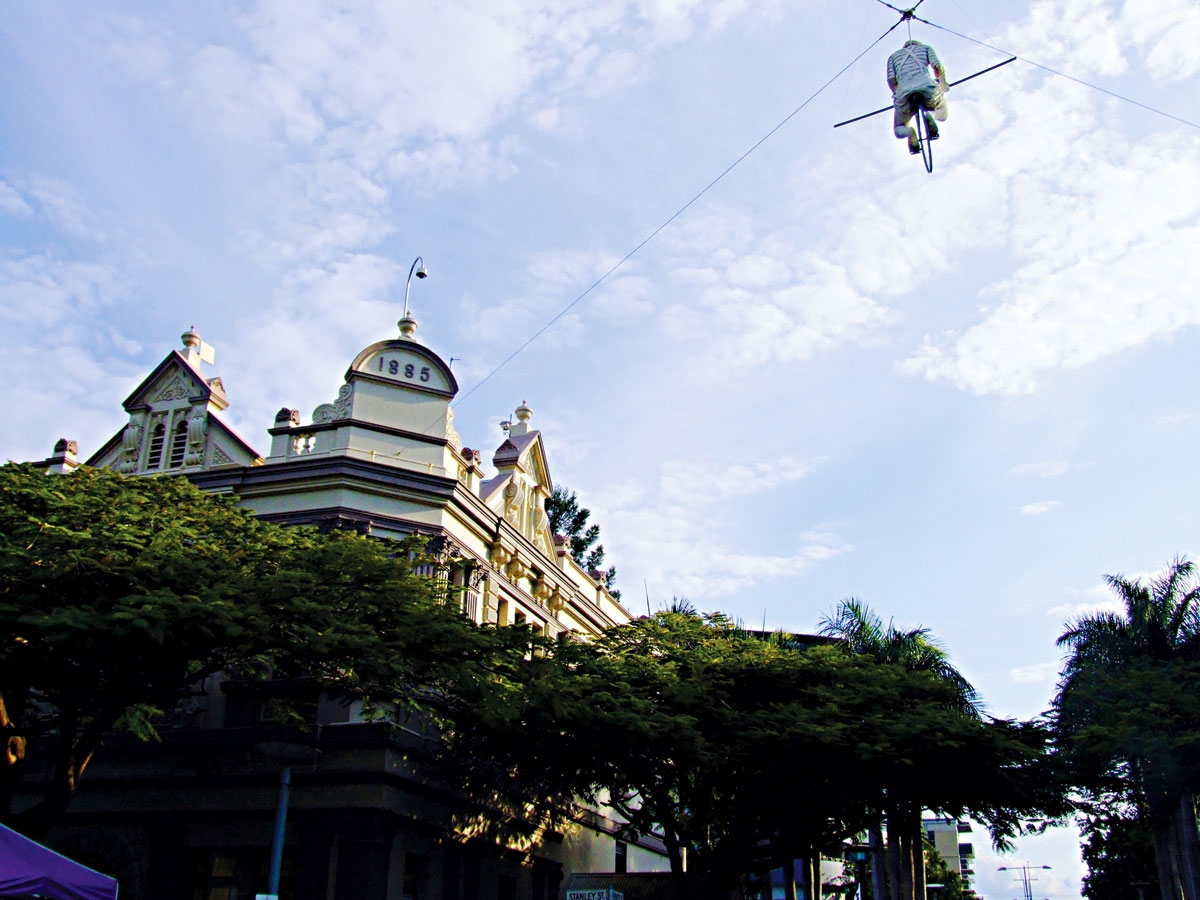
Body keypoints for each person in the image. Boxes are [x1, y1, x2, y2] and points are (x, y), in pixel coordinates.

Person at [887, 39, 948, 155]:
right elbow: (937, 66)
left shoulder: (893, 57)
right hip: (927, 87)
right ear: (918, 44)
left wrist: (898, 95)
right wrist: (943, 84)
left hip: (904, 93)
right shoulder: (926, 48)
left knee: (898, 129)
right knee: (943, 111)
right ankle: (930, 116)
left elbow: (891, 80)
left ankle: (910, 133)